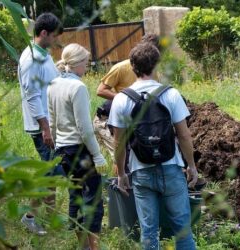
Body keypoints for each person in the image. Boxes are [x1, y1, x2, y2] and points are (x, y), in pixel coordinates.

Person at [108, 42, 198, 250]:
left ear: (132, 66)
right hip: (171, 167)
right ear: (156, 65)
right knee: (183, 231)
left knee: (148, 233)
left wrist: (121, 174)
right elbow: (184, 135)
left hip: (141, 171)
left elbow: (119, 142)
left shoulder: (121, 99)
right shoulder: (170, 94)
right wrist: (191, 165)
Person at [49, 43, 106, 250]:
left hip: (63, 149)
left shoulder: (53, 84)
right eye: (86, 63)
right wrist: (98, 155)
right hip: (80, 149)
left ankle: (82, 245)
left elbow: (53, 121)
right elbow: (84, 128)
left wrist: (58, 145)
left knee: (76, 197)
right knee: (93, 201)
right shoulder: (78, 87)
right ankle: (94, 248)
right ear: (78, 63)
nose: (87, 67)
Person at [17, 12, 64, 236]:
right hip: (41, 127)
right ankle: (29, 217)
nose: (56, 41)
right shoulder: (30, 59)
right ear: (43, 33)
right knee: (49, 174)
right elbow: (32, 95)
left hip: (50, 124)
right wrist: (45, 128)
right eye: (54, 36)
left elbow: (49, 81)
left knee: (52, 174)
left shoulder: (43, 53)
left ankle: (51, 217)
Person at [93, 34, 160, 161]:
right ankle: (118, 180)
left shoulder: (153, 71)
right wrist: (126, 98)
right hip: (105, 119)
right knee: (121, 159)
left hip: (131, 120)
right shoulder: (121, 67)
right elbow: (100, 90)